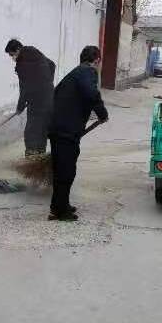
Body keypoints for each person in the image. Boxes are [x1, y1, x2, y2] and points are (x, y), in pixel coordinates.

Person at [48, 46, 109, 221]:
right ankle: (60, 211)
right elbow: (91, 94)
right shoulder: (87, 72)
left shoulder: (76, 73)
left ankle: (60, 205)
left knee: (62, 170)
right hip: (66, 130)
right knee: (66, 171)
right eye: (99, 62)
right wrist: (102, 113)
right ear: (96, 60)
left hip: (60, 128)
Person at [5, 39, 56, 157]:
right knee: (42, 128)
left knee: (30, 131)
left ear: (18, 49)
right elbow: (52, 65)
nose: (12, 58)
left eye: (12, 54)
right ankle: (40, 154)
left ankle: (31, 157)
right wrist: (47, 83)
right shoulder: (35, 52)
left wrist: (20, 107)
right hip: (49, 97)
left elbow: (24, 89)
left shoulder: (22, 64)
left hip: (36, 102)